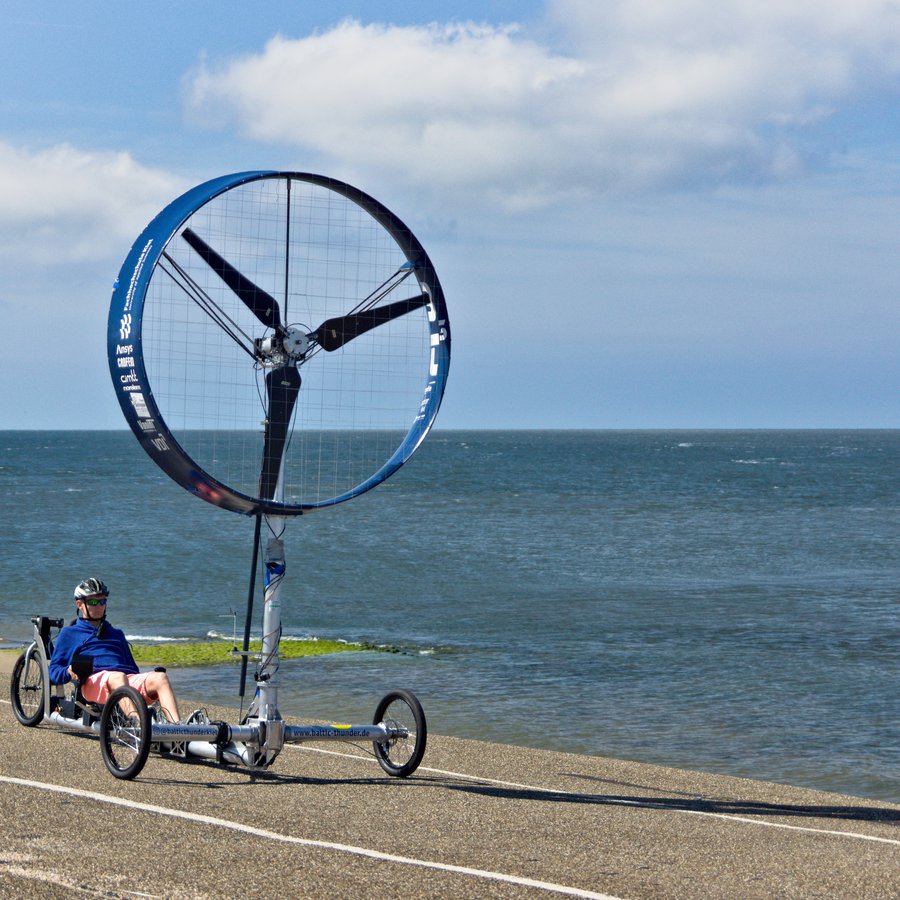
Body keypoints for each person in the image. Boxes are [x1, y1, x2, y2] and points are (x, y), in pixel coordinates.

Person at [49, 577, 181, 723]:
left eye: (102, 601)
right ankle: (138, 725)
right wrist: (68, 671)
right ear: (80, 604)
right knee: (118, 677)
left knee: (160, 678)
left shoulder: (116, 634)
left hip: (124, 681)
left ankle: (177, 728)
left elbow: (133, 670)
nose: (99, 606)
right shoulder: (70, 633)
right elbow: (53, 671)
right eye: (93, 602)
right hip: (93, 683)